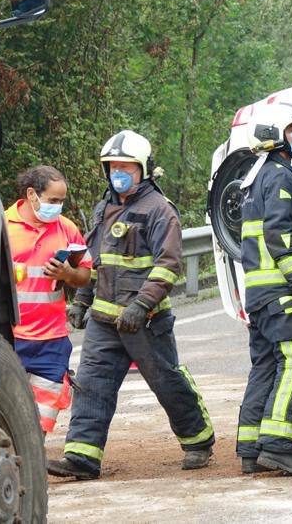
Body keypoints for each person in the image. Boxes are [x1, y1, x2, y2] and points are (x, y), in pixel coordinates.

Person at [47, 130, 214, 480]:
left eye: (126, 167)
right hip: (104, 321)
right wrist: (81, 300)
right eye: (113, 167)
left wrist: (142, 305)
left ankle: (198, 440)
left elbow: (168, 265)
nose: (118, 173)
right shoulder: (103, 208)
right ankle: (81, 458)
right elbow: (94, 261)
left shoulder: (159, 211)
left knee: (166, 381)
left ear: (144, 169)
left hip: (145, 321)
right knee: (91, 385)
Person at [236, 107, 292, 476]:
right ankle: (280, 448)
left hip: (259, 296)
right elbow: (279, 236)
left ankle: (251, 449)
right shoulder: (282, 178)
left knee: (266, 368)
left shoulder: (255, 180)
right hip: (281, 292)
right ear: (279, 138)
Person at [6, 166, 92, 433]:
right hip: (11, 337)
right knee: (8, 415)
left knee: (42, 418)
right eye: (53, 200)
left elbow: (85, 276)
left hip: (52, 340)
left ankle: (33, 458)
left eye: (61, 201)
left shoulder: (66, 228)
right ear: (32, 194)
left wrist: (68, 273)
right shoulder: (1, 226)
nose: (58, 207)